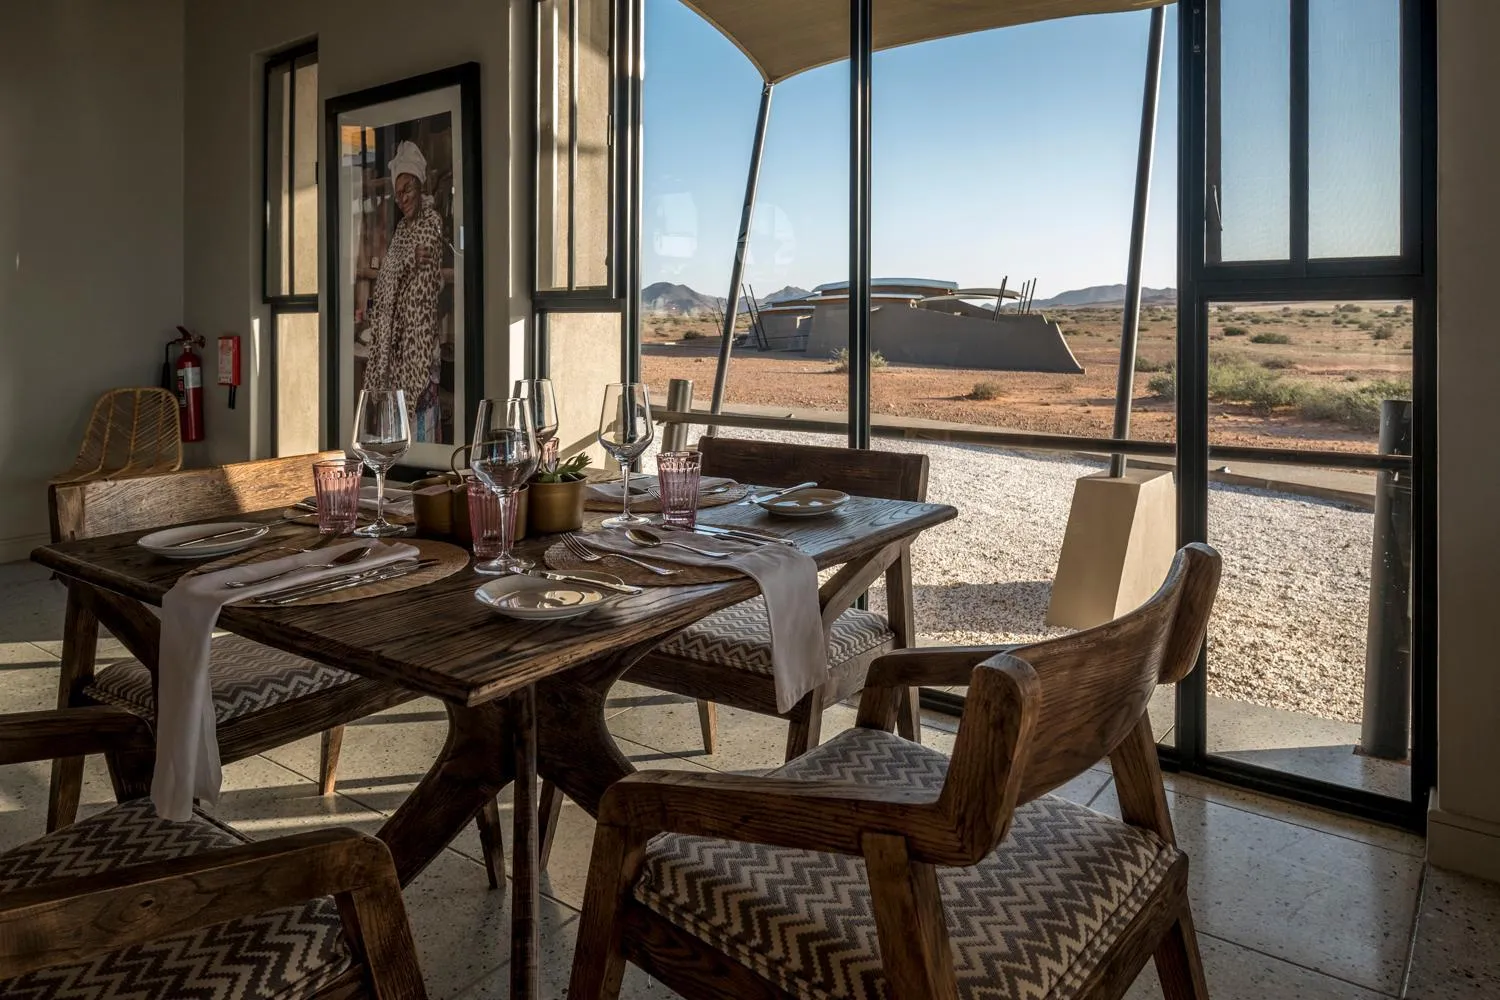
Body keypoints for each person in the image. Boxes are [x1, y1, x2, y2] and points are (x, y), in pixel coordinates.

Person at [361, 140, 447, 439]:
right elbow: (386, 278)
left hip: (417, 348)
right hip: (395, 352)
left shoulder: (431, 223)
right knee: (395, 429)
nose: (401, 199)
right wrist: (405, 264)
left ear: (420, 187)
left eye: (406, 190)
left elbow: (418, 293)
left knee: (418, 425)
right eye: (397, 194)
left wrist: (400, 269)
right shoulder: (401, 231)